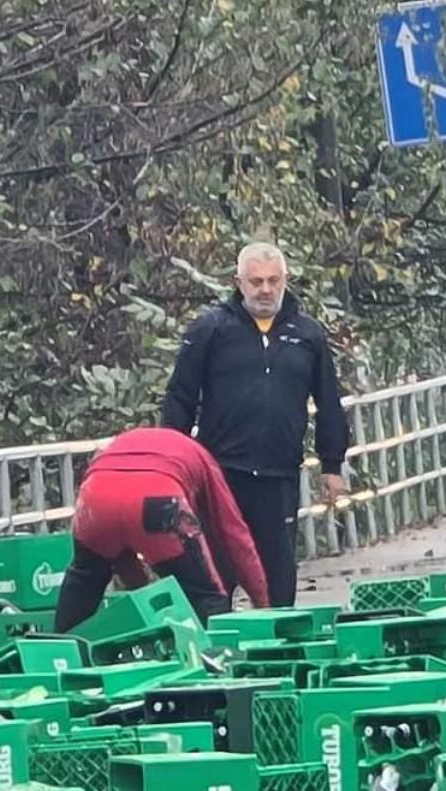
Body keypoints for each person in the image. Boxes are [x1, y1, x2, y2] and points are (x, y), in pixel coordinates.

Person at [161, 242, 350, 607]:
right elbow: (180, 397)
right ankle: (214, 649)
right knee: (217, 571)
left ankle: (279, 648)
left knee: (277, 574)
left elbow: (329, 401)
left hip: (279, 474)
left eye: (273, 281)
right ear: (239, 282)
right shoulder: (210, 329)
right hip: (220, 475)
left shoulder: (308, 334)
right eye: (256, 281)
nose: (265, 290)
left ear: (286, 281)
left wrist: (332, 465)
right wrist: (173, 466)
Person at [55, 428, 270, 632]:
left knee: (84, 583)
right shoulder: (205, 461)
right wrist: (263, 605)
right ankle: (219, 660)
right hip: (159, 500)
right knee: (206, 596)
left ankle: (55, 655)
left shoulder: (125, 442)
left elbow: (120, 545)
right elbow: (234, 534)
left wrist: (143, 593)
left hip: (95, 497)